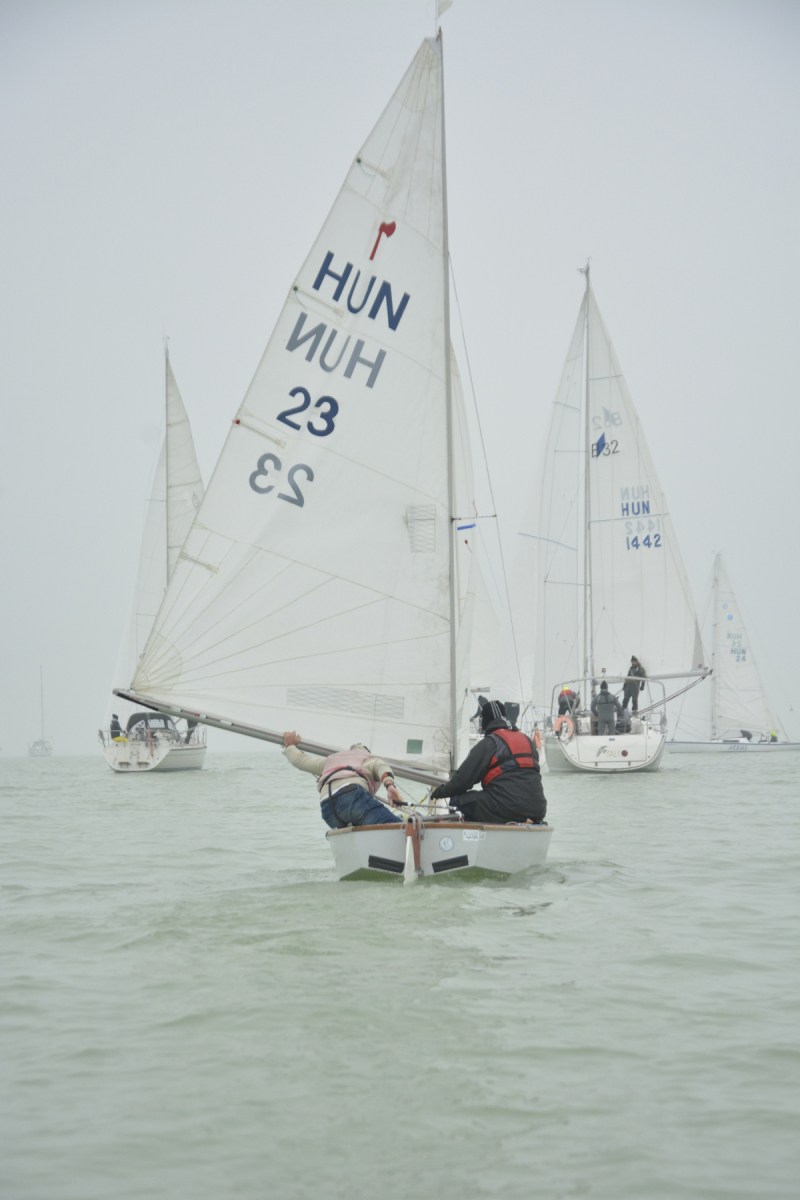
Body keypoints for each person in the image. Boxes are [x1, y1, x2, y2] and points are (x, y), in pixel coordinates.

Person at [429, 701, 547, 825]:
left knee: (458, 801)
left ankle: (469, 835)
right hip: (537, 810)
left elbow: (462, 781)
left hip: (506, 807)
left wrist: (439, 792)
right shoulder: (527, 741)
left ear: (485, 722)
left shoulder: (490, 743)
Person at [282, 731, 404, 829]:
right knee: (398, 827)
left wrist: (290, 746)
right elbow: (381, 766)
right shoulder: (367, 759)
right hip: (351, 797)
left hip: (327, 809)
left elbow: (300, 760)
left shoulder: (330, 761)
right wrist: (390, 786)